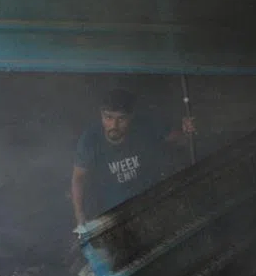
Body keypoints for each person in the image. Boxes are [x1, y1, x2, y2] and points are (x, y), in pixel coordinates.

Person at [71, 87, 195, 227]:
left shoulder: (146, 126)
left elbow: (182, 140)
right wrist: (80, 217)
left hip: (152, 202)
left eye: (121, 119)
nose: (114, 125)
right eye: (108, 117)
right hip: (113, 214)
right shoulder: (90, 140)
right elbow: (79, 177)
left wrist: (188, 130)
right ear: (101, 115)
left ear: (131, 116)